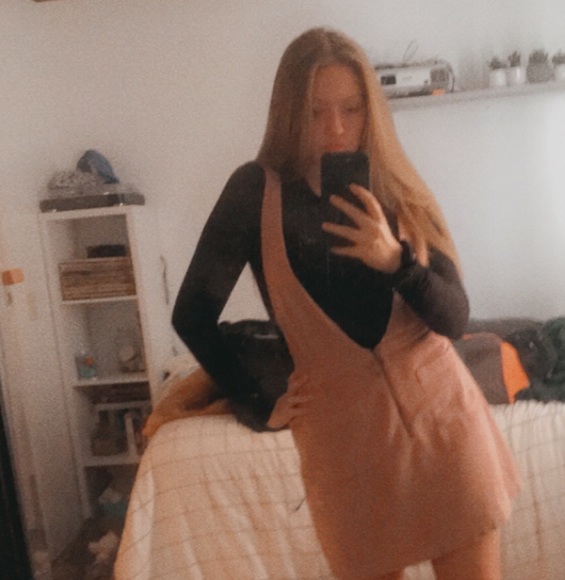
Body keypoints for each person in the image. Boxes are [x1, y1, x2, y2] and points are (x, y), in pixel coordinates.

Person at [172, 27, 520, 580]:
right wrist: (258, 401)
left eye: (351, 109)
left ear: (370, 110)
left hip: (447, 436)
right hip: (346, 456)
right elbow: (192, 314)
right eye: (315, 112)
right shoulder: (253, 193)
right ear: (289, 113)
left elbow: (454, 319)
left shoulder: (395, 185)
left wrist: (397, 262)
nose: (335, 128)